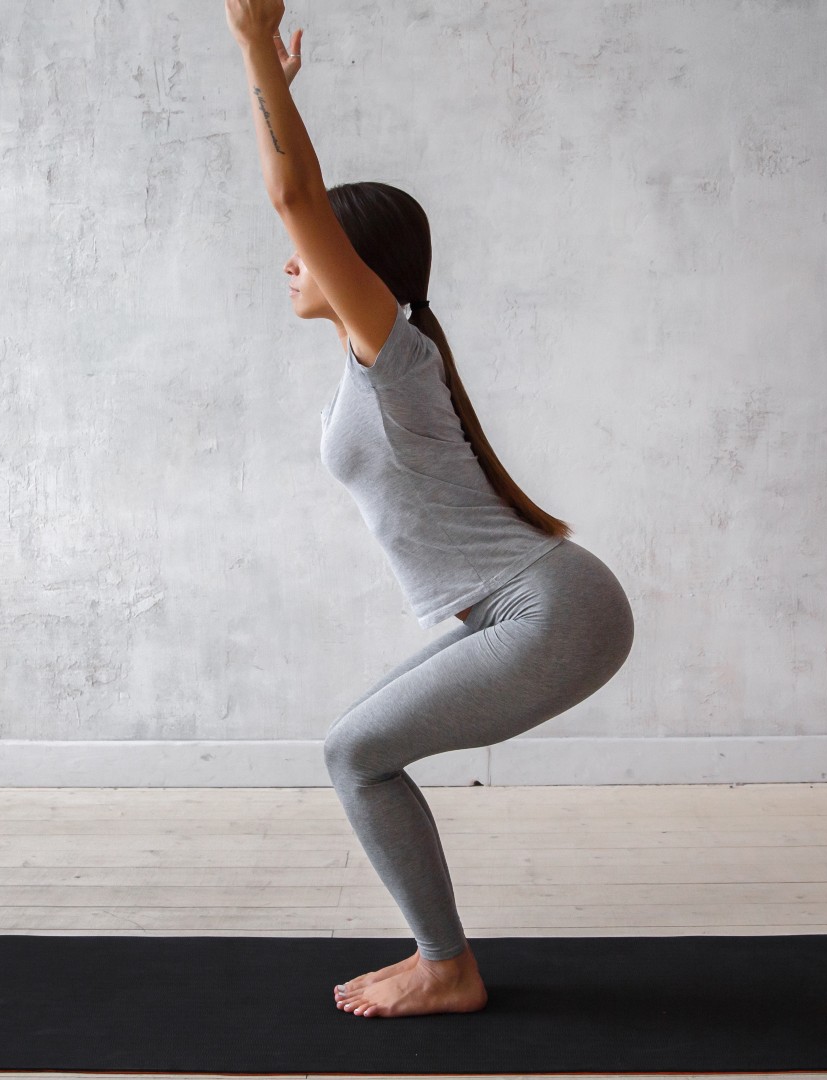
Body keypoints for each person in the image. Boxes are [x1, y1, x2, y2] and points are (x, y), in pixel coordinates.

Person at [228, 0, 636, 1019]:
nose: (289, 260)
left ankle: (445, 966)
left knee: (354, 755)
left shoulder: (394, 349)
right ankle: (441, 957)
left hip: (554, 609)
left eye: (314, 250)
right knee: (358, 748)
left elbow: (292, 195)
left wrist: (253, 52)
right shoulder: (372, 366)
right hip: (524, 607)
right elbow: (295, 206)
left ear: (355, 267)